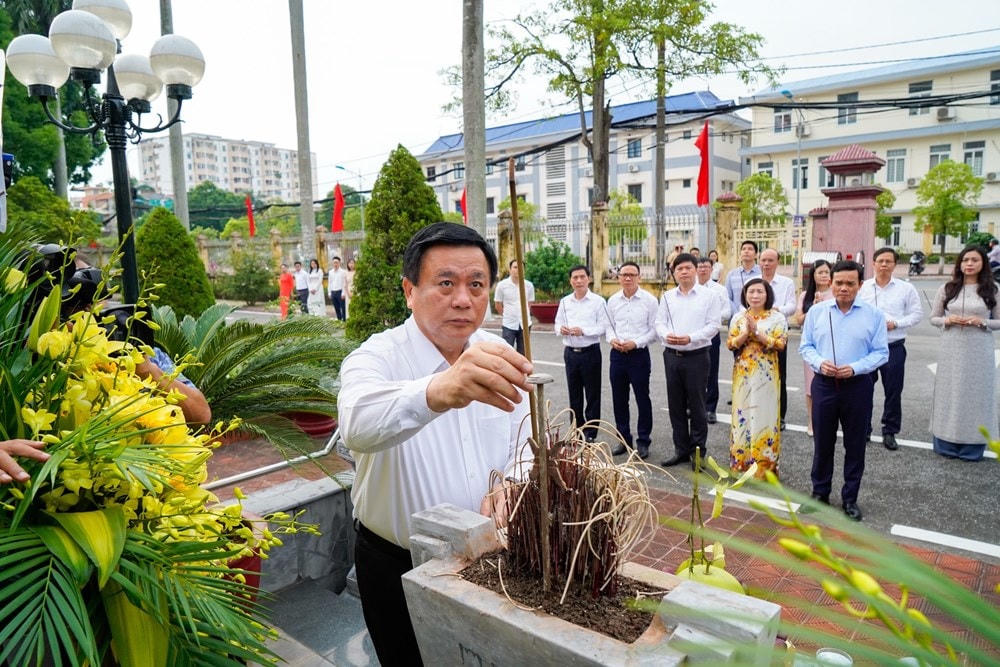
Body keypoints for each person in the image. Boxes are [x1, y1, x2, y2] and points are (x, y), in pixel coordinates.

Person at [338, 223, 533, 667]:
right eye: (445, 283)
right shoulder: (376, 356)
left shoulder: (495, 349)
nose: (463, 299)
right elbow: (357, 423)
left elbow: (526, 441)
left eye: (476, 285)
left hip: (487, 555)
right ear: (410, 290)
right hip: (396, 564)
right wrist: (439, 390)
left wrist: (514, 483)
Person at [799, 260, 888, 521]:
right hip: (824, 385)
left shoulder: (873, 315)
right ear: (830, 283)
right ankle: (820, 492)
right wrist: (819, 362)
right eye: (839, 283)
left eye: (850, 283)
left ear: (860, 285)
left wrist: (856, 367)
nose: (844, 288)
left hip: (857, 386)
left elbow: (881, 353)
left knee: (855, 444)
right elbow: (806, 347)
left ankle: (850, 498)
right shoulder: (818, 312)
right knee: (823, 442)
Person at [928, 245, 1000, 461]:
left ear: (983, 264)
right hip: (951, 348)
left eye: (974, 260)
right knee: (949, 394)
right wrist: (947, 320)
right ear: (959, 264)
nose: (969, 264)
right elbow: (934, 318)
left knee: (977, 396)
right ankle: (945, 442)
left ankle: (972, 446)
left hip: (980, 348)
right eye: (965, 260)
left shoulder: (992, 289)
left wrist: (983, 322)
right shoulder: (948, 288)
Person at [656, 253, 721, 468]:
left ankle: (698, 451)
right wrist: (667, 335)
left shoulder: (708, 296)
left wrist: (690, 338)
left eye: (687, 268)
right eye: (679, 269)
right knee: (675, 405)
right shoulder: (667, 297)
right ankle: (681, 449)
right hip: (672, 356)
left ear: (696, 270)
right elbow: (659, 323)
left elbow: (713, 326)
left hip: (697, 356)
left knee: (698, 405)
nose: (683, 272)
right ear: (674, 273)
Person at [859, 248, 923, 451]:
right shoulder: (863, 287)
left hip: (893, 345)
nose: (884, 265)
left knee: (893, 391)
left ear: (895, 264)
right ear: (873, 263)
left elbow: (916, 314)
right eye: (880, 261)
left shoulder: (905, 288)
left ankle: (890, 431)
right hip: (867, 348)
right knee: (863, 390)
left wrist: (896, 323)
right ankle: (863, 428)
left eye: (888, 261)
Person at [727, 278, 787, 479]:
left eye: (759, 292)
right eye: (751, 291)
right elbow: (731, 343)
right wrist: (745, 333)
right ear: (745, 294)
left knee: (765, 417)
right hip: (743, 375)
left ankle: (764, 470)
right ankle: (741, 467)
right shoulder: (738, 317)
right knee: (742, 417)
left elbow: (780, 344)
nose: (755, 295)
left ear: (767, 294)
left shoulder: (777, 318)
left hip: (767, 375)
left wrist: (758, 333)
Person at [605, 261, 658, 459]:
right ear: (618, 277)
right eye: (624, 274)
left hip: (639, 355)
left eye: (632, 275)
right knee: (619, 399)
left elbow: (654, 331)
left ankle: (643, 441)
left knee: (642, 398)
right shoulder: (612, 301)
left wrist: (635, 343)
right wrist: (613, 340)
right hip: (617, 355)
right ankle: (623, 439)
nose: (627, 278)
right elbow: (608, 326)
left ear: (639, 277)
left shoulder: (650, 301)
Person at [555, 265, 608, 442]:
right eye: (575, 278)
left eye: (582, 277)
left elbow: (603, 327)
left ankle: (591, 433)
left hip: (590, 352)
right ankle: (576, 430)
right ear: (570, 281)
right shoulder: (564, 302)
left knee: (592, 394)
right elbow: (557, 324)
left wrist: (583, 331)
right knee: (574, 393)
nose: (578, 281)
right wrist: (560, 329)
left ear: (588, 279)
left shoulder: (598, 301)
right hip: (570, 353)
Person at [759, 248, 797, 429]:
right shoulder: (754, 282)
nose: (766, 264)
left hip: (777, 333)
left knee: (779, 374)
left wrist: (776, 310)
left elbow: (792, 306)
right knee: (758, 374)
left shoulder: (786, 283)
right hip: (756, 335)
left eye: (770, 260)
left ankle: (780, 415)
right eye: (763, 260)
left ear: (777, 262)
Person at [794, 260, 833, 436]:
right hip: (811, 346)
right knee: (811, 387)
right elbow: (798, 320)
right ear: (813, 276)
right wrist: (814, 308)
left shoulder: (836, 294)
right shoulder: (805, 296)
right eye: (820, 272)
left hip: (830, 345)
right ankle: (811, 421)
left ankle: (828, 421)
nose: (824, 275)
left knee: (830, 386)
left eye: (826, 272)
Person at [697, 257, 732, 424]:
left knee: (711, 371)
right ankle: (694, 406)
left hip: (711, 336)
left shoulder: (720, 289)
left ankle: (711, 408)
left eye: (706, 267)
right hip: (693, 336)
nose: (703, 270)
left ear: (712, 270)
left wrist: (711, 318)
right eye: (700, 267)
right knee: (694, 373)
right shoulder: (690, 288)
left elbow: (727, 312)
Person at [493, 259, 535, 355]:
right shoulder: (502, 285)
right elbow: (498, 304)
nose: (518, 270)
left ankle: (522, 371)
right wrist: (507, 315)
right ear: (510, 269)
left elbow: (529, 303)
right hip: (509, 324)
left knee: (523, 352)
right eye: (515, 267)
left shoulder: (529, 286)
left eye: (521, 268)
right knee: (507, 352)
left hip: (525, 324)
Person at [724, 240, 762, 317]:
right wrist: (737, 313)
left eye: (750, 249)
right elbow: (727, 298)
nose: (746, 251)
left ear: (756, 255)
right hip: (736, 317)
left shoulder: (762, 273)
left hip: (759, 316)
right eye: (743, 249)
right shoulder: (731, 274)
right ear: (740, 254)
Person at [328, 256, 347, 321]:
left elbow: (344, 283)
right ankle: (339, 320)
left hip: (340, 292)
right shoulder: (330, 272)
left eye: (336, 262)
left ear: (339, 263)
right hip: (333, 292)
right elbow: (329, 283)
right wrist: (329, 292)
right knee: (336, 308)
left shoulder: (343, 272)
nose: (335, 264)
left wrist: (343, 293)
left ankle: (344, 320)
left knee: (343, 308)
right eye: (334, 263)